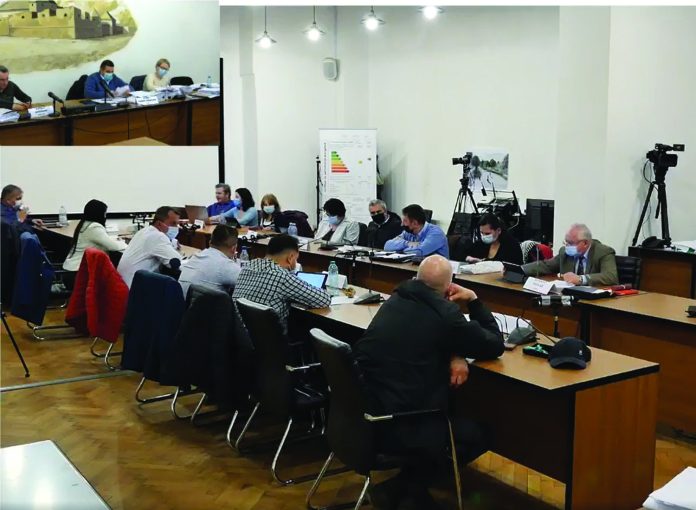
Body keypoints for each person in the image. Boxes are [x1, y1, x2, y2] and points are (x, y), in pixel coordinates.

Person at [353, 255, 504, 509]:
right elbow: (494, 344)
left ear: (416, 278)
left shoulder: (396, 299)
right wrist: (473, 300)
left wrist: (455, 353)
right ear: (449, 287)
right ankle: (408, 486)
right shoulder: (446, 314)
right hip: (404, 421)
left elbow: (420, 339)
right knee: (481, 435)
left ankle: (408, 485)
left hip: (366, 412)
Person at [232, 234, 331, 333]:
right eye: (296, 259)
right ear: (290, 257)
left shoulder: (248, 266)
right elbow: (324, 300)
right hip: (269, 339)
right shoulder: (282, 276)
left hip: (239, 334)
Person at [521, 223, 618, 286]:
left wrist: (581, 279)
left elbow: (611, 277)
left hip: (595, 301)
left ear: (585, 243)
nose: (567, 246)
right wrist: (520, 269)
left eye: (571, 243)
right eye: (566, 242)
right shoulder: (564, 252)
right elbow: (546, 266)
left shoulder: (603, 252)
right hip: (569, 297)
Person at [62, 200, 127, 287]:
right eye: (104, 214)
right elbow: (113, 246)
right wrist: (126, 244)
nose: (105, 216)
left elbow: (103, 240)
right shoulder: (94, 227)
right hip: (78, 275)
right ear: (98, 214)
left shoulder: (85, 224)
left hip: (71, 272)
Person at [117, 206, 183, 288]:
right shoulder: (158, 237)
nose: (176, 227)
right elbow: (176, 262)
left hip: (122, 284)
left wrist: (172, 242)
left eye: (177, 224)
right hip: (134, 289)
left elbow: (155, 245)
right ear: (159, 223)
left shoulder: (143, 231)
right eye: (173, 223)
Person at [179, 225, 241, 297]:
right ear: (234, 248)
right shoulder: (225, 265)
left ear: (209, 242)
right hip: (204, 304)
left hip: (182, 302)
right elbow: (248, 282)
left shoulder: (195, 257)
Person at [384, 204, 449, 258]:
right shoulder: (408, 232)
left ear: (415, 223)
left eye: (405, 221)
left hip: (438, 268)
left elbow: (419, 252)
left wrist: (399, 249)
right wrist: (408, 243)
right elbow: (387, 246)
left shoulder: (436, 233)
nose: (402, 224)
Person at [458, 213, 523, 264]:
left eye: (487, 233)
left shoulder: (512, 245)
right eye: (481, 233)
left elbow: (516, 268)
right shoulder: (480, 244)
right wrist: (469, 258)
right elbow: (460, 255)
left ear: (498, 230)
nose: (484, 236)